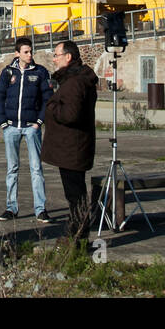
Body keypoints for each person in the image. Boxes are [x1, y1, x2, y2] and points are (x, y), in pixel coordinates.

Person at [41, 40, 98, 241]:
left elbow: (70, 114)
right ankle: (78, 233)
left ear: (68, 57)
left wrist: (50, 106)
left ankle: (77, 235)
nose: (54, 59)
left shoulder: (74, 82)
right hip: (75, 146)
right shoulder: (77, 79)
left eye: (56, 55)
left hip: (72, 148)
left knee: (75, 195)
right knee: (76, 193)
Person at [0, 38, 53, 222]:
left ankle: (40, 209)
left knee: (36, 168)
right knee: (12, 168)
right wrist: (3, 123)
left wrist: (39, 121)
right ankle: (11, 208)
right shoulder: (7, 73)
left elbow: (47, 99)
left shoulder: (40, 72)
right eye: (26, 52)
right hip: (11, 127)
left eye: (31, 51)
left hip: (31, 128)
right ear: (17, 53)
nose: (30, 55)